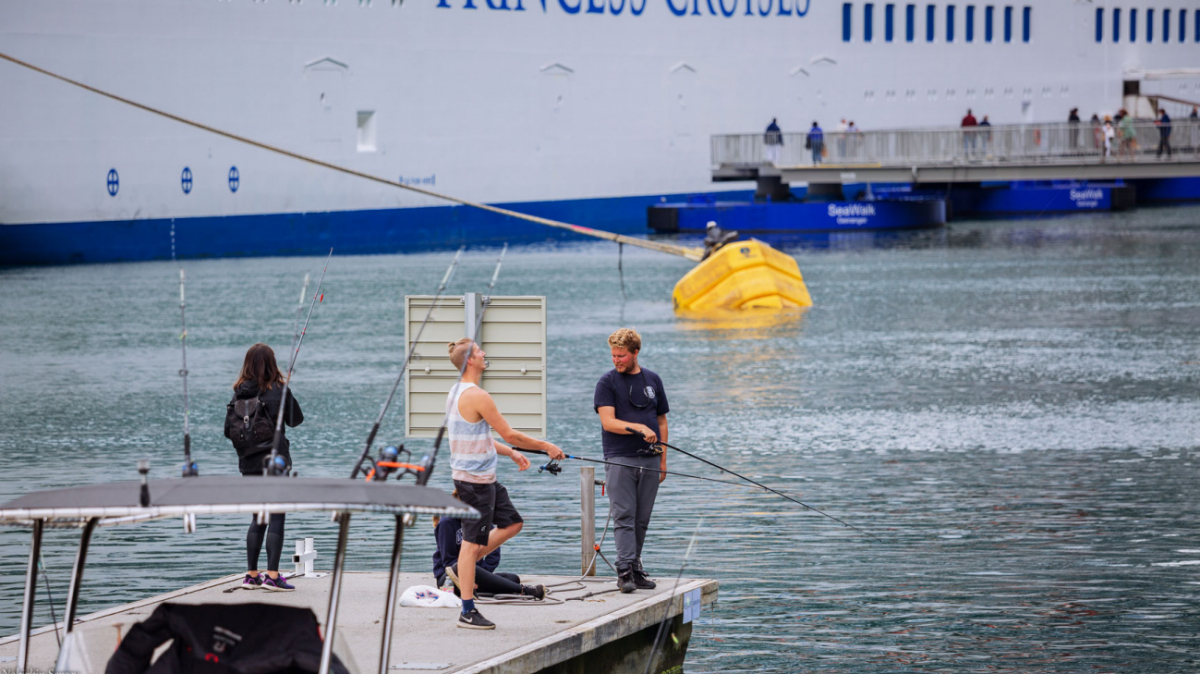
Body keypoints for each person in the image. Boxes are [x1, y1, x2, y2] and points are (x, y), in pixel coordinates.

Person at [443, 337, 564, 629]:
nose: (485, 354)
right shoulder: (477, 395)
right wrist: (545, 446)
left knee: (512, 523)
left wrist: (510, 453)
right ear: (470, 360)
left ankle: (464, 567)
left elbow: (482, 437)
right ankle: (467, 610)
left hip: (483, 479)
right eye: (480, 351)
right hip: (475, 484)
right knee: (472, 543)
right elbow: (510, 434)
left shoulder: (455, 391)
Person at [594, 328, 669, 594]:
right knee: (624, 515)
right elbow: (608, 422)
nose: (616, 360)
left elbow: (661, 420)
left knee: (642, 518)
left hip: (650, 460)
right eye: (613, 355)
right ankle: (623, 570)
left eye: (621, 356)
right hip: (620, 458)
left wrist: (662, 459)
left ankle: (636, 569)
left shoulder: (653, 380)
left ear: (635, 352)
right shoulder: (607, 382)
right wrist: (638, 428)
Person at [225, 343, 303, 592]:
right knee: (277, 515)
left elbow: (228, 431)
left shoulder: (239, 393)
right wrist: (285, 391)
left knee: (258, 516)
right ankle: (272, 575)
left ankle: (251, 575)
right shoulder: (278, 390)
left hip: (248, 464)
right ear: (272, 364)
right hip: (275, 463)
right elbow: (296, 420)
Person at [432, 493, 546, 601]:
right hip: (449, 578)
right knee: (467, 564)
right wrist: (469, 576)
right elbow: (448, 561)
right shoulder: (446, 523)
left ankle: (481, 586)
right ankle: (524, 590)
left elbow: (494, 549)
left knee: (513, 578)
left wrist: (484, 573)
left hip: (476, 573)